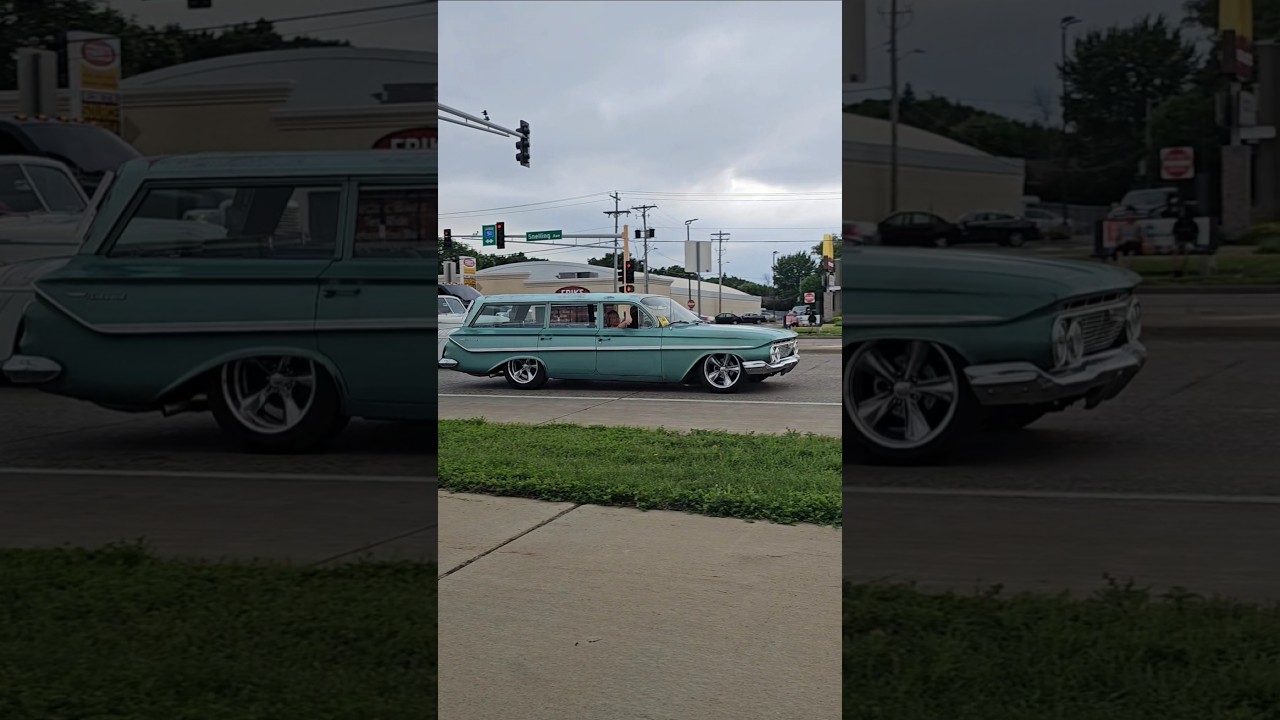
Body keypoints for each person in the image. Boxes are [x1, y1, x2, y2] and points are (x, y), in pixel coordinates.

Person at [1172, 205, 1199, 279]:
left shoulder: (1193, 224)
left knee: (1187, 250)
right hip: (1179, 242)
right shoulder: (1177, 224)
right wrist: (1178, 243)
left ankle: (1181, 270)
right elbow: (1175, 236)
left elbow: (1195, 236)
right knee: (1175, 250)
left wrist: (1190, 242)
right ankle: (1176, 269)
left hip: (1189, 242)